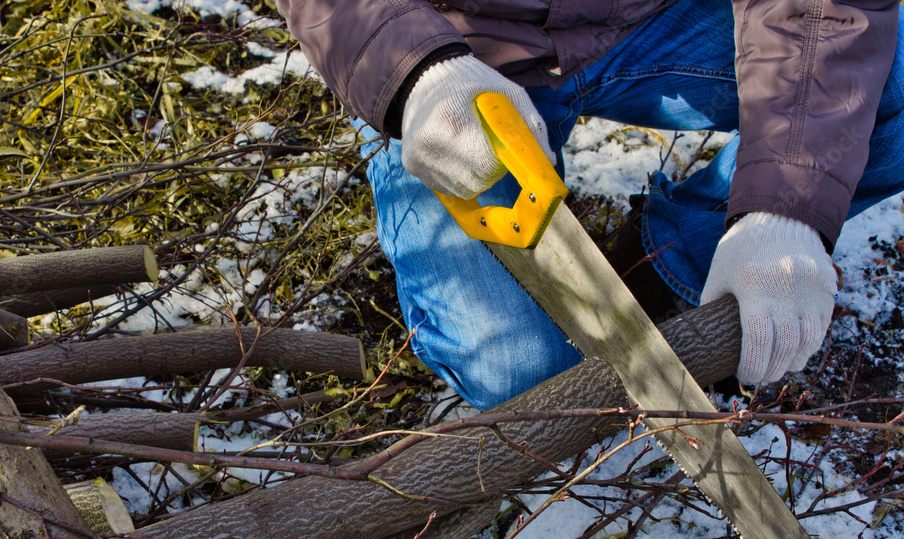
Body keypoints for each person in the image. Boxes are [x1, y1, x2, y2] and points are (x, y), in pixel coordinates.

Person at [275, 0, 904, 410]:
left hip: (648, 20)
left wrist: (784, 205)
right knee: (524, 376)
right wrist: (415, 71)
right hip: (450, 45)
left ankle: (666, 269)